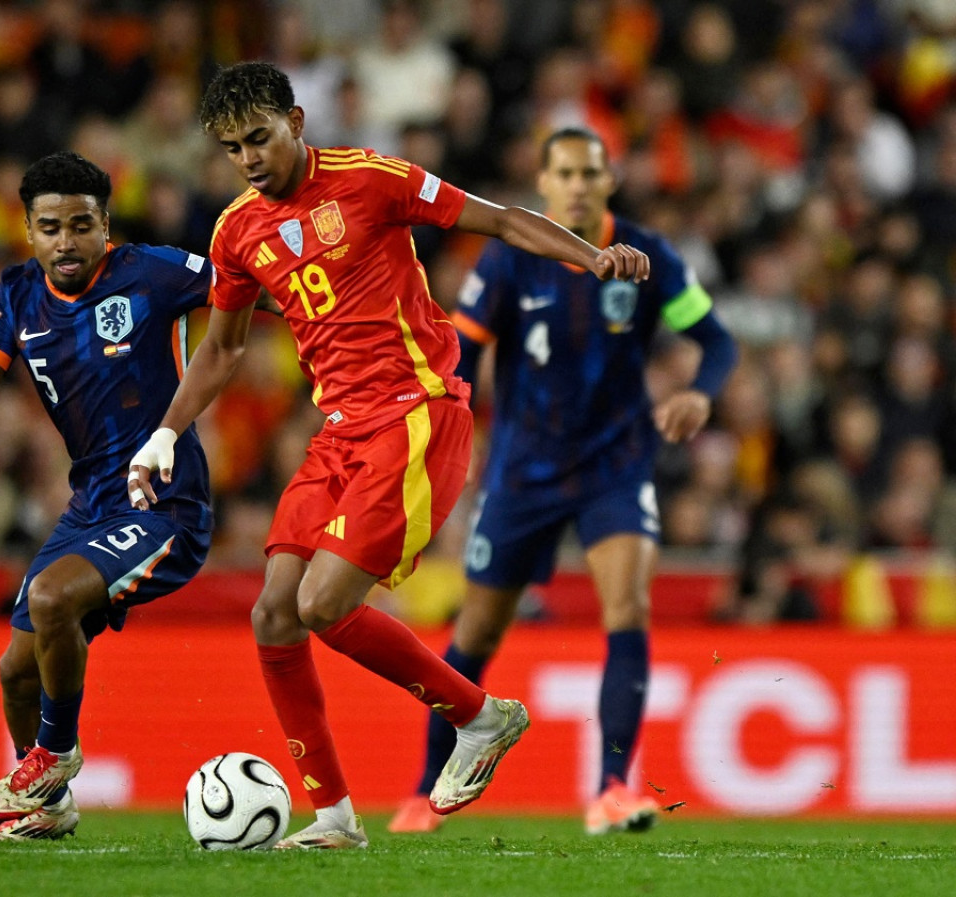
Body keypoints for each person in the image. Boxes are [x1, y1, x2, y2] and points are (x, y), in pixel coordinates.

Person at [127, 64, 650, 850]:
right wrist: (166, 431)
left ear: (297, 120)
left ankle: (479, 717)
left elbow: (501, 220)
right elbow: (224, 348)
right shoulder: (236, 230)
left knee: (322, 605)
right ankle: (333, 817)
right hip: (337, 431)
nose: (249, 159)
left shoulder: (372, 179)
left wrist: (593, 257)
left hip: (416, 415)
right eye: (233, 148)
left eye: (260, 138)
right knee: (273, 612)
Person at [388, 127, 739, 836]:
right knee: (478, 630)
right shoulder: (514, 260)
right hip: (524, 470)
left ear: (609, 180)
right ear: (543, 185)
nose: (577, 184)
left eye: (589, 172)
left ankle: (613, 788)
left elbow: (717, 340)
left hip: (615, 464)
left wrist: (701, 391)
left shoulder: (649, 259)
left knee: (628, 605)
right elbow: (461, 350)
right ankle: (424, 793)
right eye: (564, 173)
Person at [0, 151, 216, 841]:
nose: (66, 241)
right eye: (50, 226)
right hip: (90, 501)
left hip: (163, 501)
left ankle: (55, 755)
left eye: (81, 225)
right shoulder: (17, 297)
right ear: (29, 231)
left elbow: (257, 288)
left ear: (106, 227)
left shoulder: (153, 271)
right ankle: (48, 807)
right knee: (14, 672)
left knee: (53, 597)